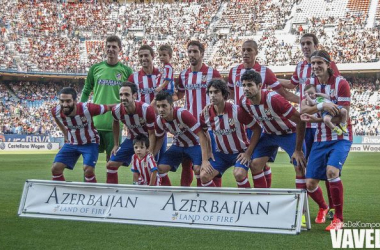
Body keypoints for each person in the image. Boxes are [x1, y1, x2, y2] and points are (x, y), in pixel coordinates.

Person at [279, 33, 340, 219]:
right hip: (304, 123)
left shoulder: (326, 65)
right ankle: (306, 210)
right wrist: (269, 80)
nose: (305, 46)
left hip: (321, 124)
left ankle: (331, 209)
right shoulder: (299, 66)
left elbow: (333, 87)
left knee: (328, 169)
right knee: (301, 166)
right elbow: (292, 84)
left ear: (315, 45)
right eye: (302, 44)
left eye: (308, 43)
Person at [228, 40, 298, 187]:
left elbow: (284, 93)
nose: (245, 53)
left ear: (256, 52)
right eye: (243, 50)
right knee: (256, 164)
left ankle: (265, 196)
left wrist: (304, 101)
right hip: (241, 125)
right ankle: (264, 197)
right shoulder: (233, 71)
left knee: (257, 163)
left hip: (262, 125)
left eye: (249, 50)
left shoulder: (265, 71)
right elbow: (228, 94)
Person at [300, 50, 352, 231]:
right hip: (320, 138)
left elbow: (343, 116)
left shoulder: (341, 83)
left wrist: (317, 116)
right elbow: (302, 110)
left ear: (328, 65)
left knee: (331, 171)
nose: (315, 67)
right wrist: (322, 106)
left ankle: (339, 218)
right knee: (310, 183)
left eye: (319, 63)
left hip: (340, 136)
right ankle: (323, 207)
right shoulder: (310, 84)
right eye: (313, 64)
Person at [239, 70, 306, 190]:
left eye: (250, 85)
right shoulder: (244, 102)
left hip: (289, 134)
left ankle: (312, 207)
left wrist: (298, 150)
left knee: (300, 167)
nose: (245, 88)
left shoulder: (273, 99)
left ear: (259, 86)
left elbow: (300, 121)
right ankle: (264, 202)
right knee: (255, 165)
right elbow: (252, 125)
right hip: (269, 135)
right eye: (243, 85)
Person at [199, 79, 261, 187]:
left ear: (224, 94)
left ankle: (247, 201)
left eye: (216, 92)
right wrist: (205, 158)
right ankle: (218, 202)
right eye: (210, 92)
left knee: (239, 174)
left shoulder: (237, 111)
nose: (212, 95)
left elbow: (257, 129)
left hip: (239, 152)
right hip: (220, 154)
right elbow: (202, 133)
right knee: (204, 176)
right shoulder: (205, 114)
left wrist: (248, 153)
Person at [80, 35, 133, 162]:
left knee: (111, 162)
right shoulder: (95, 68)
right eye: (108, 46)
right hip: (95, 123)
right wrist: (80, 110)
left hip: (114, 123)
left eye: (114, 47)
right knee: (88, 163)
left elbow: (132, 95)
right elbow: (86, 90)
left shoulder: (126, 70)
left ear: (119, 49)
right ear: (105, 49)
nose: (111, 49)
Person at [177, 40, 222, 187]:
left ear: (202, 54)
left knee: (210, 162)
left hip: (208, 125)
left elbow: (222, 94)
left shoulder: (212, 73)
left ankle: (213, 194)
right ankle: (185, 193)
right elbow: (180, 95)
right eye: (189, 51)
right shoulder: (183, 75)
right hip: (188, 125)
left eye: (195, 51)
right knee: (186, 162)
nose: (192, 54)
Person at [51, 87, 113, 182]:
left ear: (75, 101)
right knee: (55, 169)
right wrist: (65, 133)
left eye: (68, 101)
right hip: (72, 143)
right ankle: (60, 193)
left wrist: (128, 104)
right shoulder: (56, 111)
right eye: (62, 101)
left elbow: (108, 107)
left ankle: (92, 194)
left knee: (88, 170)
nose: (65, 104)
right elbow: (56, 119)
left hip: (90, 142)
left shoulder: (87, 108)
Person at [152, 91, 209, 187]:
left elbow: (201, 135)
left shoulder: (183, 114)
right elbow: (160, 139)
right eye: (158, 106)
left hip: (194, 144)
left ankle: (201, 194)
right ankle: (169, 193)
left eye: (164, 106)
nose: (161, 109)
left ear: (171, 106)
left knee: (198, 169)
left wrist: (205, 160)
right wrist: (152, 155)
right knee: (161, 168)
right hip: (178, 146)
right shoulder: (159, 121)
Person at [106, 82, 157, 184]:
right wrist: (116, 144)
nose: (123, 98)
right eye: (121, 95)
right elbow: (115, 123)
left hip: (151, 139)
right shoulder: (116, 110)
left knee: (155, 168)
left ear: (134, 95)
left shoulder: (146, 109)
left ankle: (159, 195)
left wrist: (150, 149)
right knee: (110, 164)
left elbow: (152, 133)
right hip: (133, 139)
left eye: (126, 94)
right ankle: (112, 193)